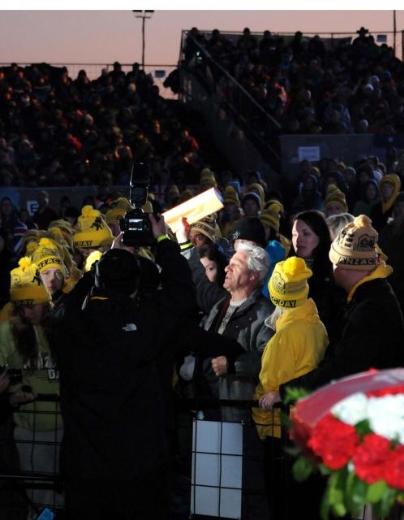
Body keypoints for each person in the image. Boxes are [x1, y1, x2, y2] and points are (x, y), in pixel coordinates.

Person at [53, 215, 196, 520]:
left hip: (87, 471)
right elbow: (181, 293)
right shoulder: (148, 324)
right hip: (139, 470)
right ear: (137, 287)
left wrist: (102, 264)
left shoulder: (71, 327)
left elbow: (61, 308)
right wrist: (162, 242)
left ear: (98, 282)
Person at [254, 256, 328, 520]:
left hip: (282, 433)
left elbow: (269, 388)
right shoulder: (317, 325)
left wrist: (264, 429)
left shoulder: (283, 338)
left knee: (283, 505)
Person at [290, 210, 344, 343]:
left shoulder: (334, 272)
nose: (298, 239)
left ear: (320, 236)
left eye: (306, 234)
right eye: (294, 234)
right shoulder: (284, 268)